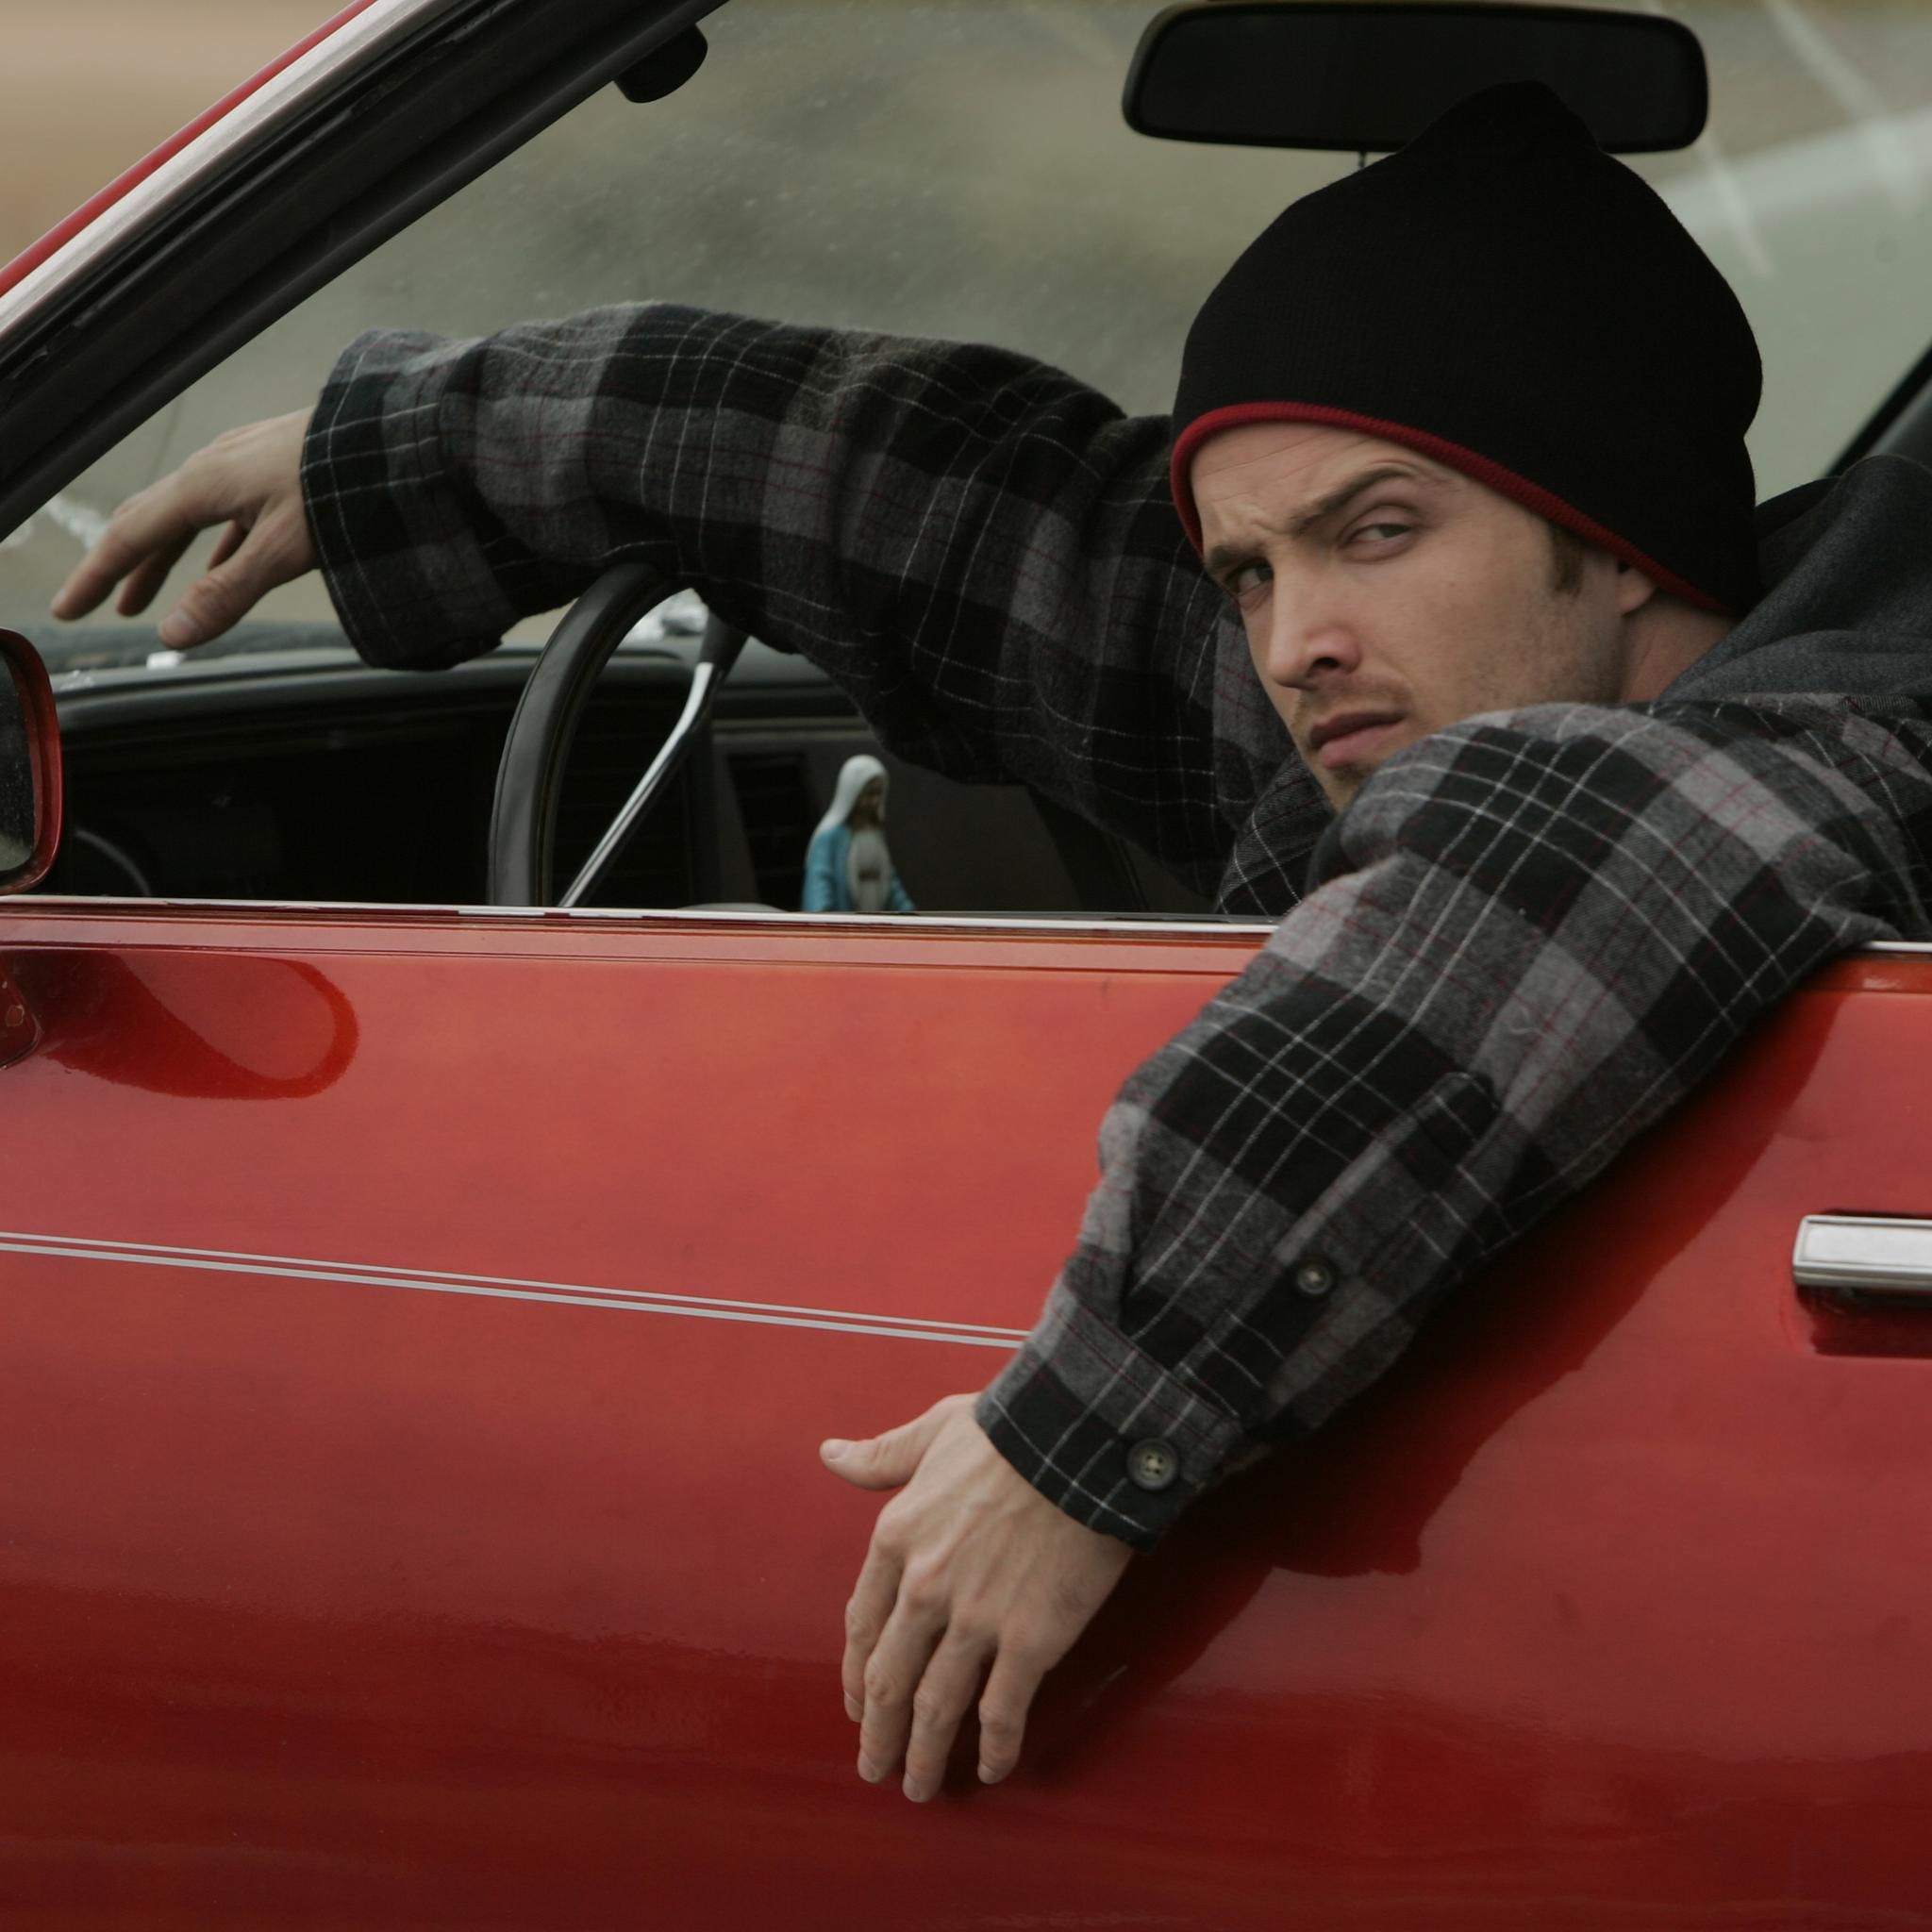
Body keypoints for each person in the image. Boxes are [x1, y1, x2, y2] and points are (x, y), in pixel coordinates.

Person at [50, 85, 1932, 1806]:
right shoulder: (1455, 658)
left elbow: (1564, 857)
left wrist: (1077, 1441)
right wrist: (411, 451)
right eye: (1251, 567)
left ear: (1615, 534)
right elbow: (988, 522)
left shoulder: (1846, 733)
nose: (1294, 640)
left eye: (1372, 531)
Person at [802, 755, 916, 913]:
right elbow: (820, 879)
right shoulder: (831, 837)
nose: (875, 801)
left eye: (878, 794)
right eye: (869, 794)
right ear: (853, 792)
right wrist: (822, 914)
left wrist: (907, 910)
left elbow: (889, 880)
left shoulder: (874, 833)